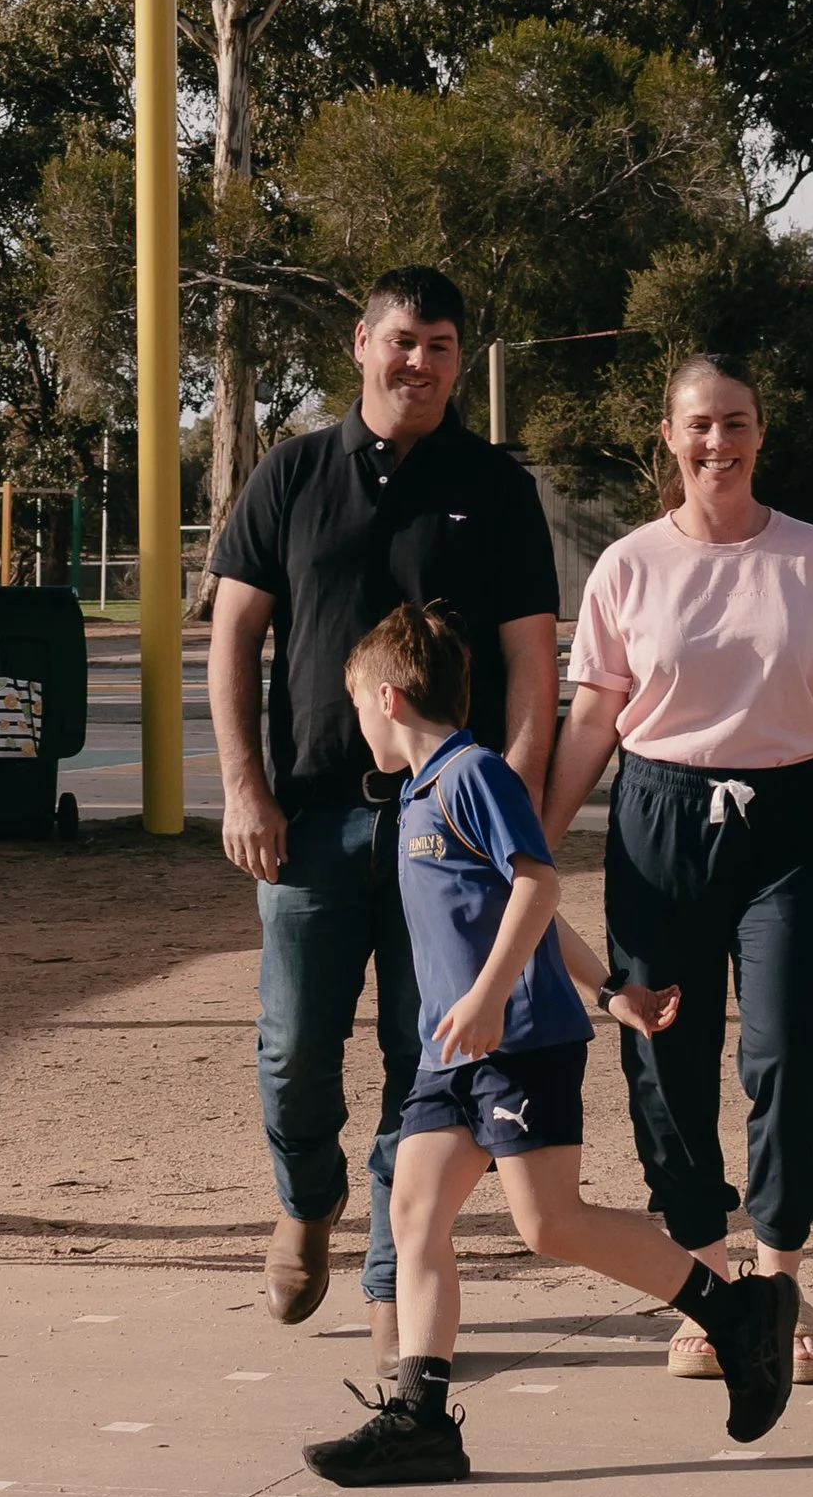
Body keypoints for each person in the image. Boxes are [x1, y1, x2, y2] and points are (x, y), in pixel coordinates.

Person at [301, 602, 798, 1487]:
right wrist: (611, 989)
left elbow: (536, 883)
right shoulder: (419, 792)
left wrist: (494, 999)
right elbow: (518, 907)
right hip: (451, 1050)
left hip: (519, 1042)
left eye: (355, 707)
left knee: (550, 1224)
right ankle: (421, 1421)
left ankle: (735, 1313)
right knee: (413, 1214)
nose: (355, 725)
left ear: (388, 697)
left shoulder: (472, 775)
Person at [541, 353, 813, 1389]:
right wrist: (530, 849)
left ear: (761, 433)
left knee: (788, 1047)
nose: (720, 441)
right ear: (668, 437)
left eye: (738, 422)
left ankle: (780, 1275)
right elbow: (592, 719)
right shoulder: (627, 565)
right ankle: (708, 1291)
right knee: (664, 1048)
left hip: (791, 822)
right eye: (700, 424)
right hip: (660, 818)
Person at [208, 265, 561, 1373]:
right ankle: (303, 1201)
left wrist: (509, 807)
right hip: (312, 817)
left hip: (445, 835)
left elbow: (529, 665)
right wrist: (243, 786)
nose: (420, 362)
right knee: (292, 1045)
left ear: (460, 360)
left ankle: (384, 1280)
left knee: (428, 1062)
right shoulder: (292, 473)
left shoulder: (496, 486)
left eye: (442, 345)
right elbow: (232, 638)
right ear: (361, 343)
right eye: (403, 340)